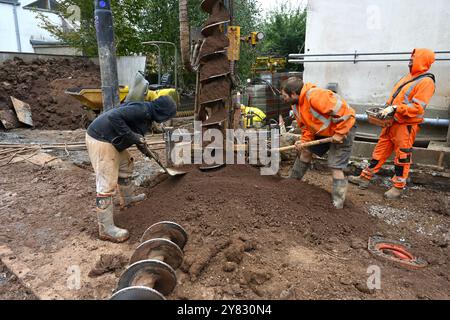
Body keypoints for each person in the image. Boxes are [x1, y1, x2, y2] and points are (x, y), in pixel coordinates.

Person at [85, 96, 177, 243]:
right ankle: (106, 228)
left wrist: (146, 150)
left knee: (126, 164)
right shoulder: (141, 110)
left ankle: (127, 200)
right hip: (101, 139)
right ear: (163, 113)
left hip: (112, 141)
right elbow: (114, 117)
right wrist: (133, 136)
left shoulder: (148, 115)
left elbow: (136, 135)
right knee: (107, 183)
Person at [349, 48, 436, 200]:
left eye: (414, 58)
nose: (410, 60)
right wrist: (387, 108)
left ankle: (398, 187)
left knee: (402, 156)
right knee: (379, 151)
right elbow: (396, 98)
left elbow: (417, 107)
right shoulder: (409, 77)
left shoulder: (426, 82)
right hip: (392, 122)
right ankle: (364, 177)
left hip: (405, 126)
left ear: (422, 60)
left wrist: (395, 108)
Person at [281, 77, 356, 209]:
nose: (283, 99)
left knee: (335, 166)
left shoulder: (315, 95)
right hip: (324, 132)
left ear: (293, 93)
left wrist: (340, 133)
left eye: (284, 95)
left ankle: (338, 203)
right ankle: (292, 183)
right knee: (305, 151)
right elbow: (306, 127)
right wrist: (304, 141)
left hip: (344, 129)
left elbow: (347, 113)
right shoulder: (295, 105)